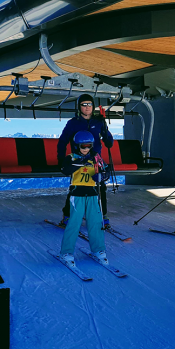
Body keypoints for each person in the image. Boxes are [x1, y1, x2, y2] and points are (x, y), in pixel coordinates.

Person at [57, 93, 114, 229]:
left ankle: (101, 214)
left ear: (93, 106)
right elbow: (62, 141)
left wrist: (104, 126)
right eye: (84, 105)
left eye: (90, 104)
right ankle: (68, 215)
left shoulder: (98, 122)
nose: (87, 107)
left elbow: (109, 143)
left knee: (100, 186)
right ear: (79, 107)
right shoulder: (73, 123)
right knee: (76, 187)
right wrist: (61, 160)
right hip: (78, 159)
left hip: (95, 160)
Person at [59, 130, 111, 266]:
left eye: (89, 146)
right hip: (77, 194)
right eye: (83, 146)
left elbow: (106, 171)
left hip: (93, 194)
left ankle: (98, 250)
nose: (86, 149)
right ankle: (66, 252)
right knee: (74, 223)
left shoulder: (96, 157)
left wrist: (102, 176)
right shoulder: (71, 158)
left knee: (95, 223)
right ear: (77, 145)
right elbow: (65, 170)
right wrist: (81, 162)